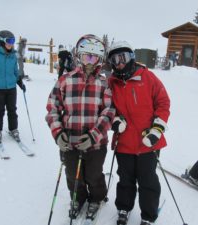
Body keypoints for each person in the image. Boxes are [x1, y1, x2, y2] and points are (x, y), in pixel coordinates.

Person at [45, 34, 115, 220]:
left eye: (94, 57)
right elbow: (52, 108)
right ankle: (78, 197)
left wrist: (94, 135)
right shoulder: (65, 80)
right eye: (86, 56)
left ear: (99, 59)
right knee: (73, 176)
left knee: (93, 175)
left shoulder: (103, 83)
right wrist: (58, 133)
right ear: (79, 56)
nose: (89, 62)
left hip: (95, 143)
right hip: (69, 141)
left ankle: (97, 198)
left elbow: (108, 112)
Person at [107, 41, 170, 225]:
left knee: (147, 180)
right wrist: (115, 120)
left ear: (131, 57)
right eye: (115, 59)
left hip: (147, 141)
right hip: (124, 143)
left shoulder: (147, 77)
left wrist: (157, 128)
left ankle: (148, 216)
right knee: (125, 179)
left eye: (123, 58)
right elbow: (106, 108)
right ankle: (124, 209)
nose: (119, 63)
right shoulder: (111, 83)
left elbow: (163, 102)